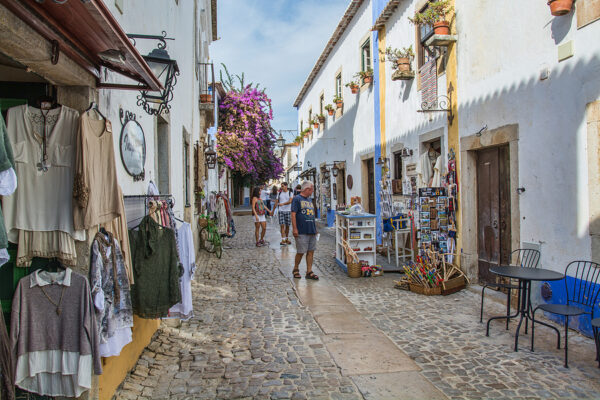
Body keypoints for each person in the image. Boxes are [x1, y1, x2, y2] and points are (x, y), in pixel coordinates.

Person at [291, 181, 319, 280]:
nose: (312, 192)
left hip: (311, 230)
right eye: (312, 190)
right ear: (307, 189)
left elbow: (312, 214)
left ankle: (309, 271)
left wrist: (315, 228)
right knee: (301, 251)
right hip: (301, 230)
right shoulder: (297, 199)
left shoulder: (310, 200)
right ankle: (295, 269)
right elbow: (293, 214)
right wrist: (294, 228)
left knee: (311, 251)